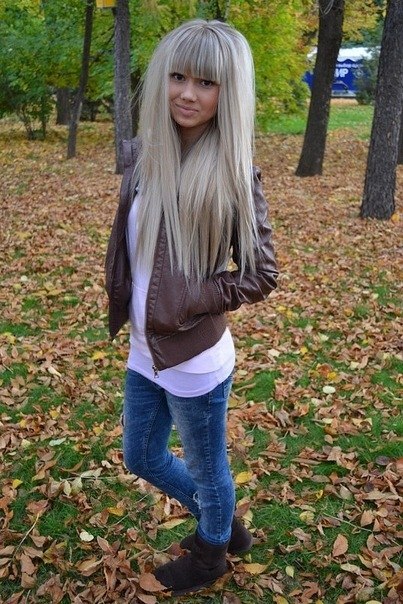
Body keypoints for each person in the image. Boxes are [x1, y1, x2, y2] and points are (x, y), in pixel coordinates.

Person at [105, 19, 278, 596]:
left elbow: (261, 275)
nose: (186, 93)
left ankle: (211, 553)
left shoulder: (233, 175)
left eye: (205, 82)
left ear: (229, 92)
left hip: (196, 359)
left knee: (208, 468)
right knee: (140, 455)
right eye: (178, 76)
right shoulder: (147, 157)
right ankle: (221, 523)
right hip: (145, 348)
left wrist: (189, 300)